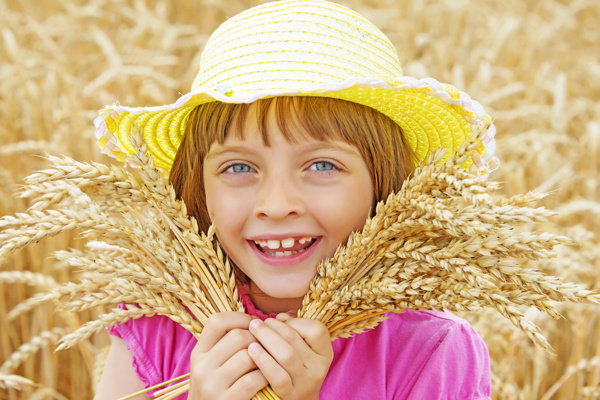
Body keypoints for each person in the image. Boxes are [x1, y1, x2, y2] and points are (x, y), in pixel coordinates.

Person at [93, 0, 495, 399]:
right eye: (238, 168)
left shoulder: (429, 349)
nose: (277, 203)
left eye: (321, 166)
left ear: (385, 186)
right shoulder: (158, 326)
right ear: (199, 191)